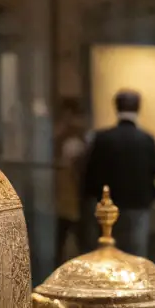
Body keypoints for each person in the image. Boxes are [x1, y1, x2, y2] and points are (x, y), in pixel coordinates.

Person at [82, 88, 155, 256]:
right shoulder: (147, 140)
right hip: (138, 206)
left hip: (107, 207)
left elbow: (91, 172)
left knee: (106, 256)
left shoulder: (102, 138)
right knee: (136, 256)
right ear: (138, 107)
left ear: (116, 107)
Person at [53, 98, 89, 261]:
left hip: (76, 197)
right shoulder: (59, 137)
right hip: (65, 197)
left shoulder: (83, 139)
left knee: (80, 240)